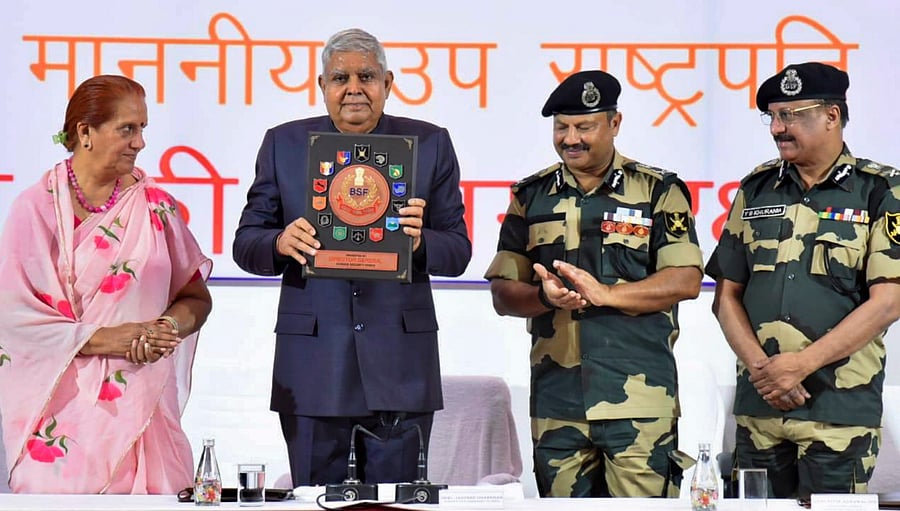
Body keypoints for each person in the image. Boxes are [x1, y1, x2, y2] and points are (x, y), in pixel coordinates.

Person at [232, 28, 470, 487]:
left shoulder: (430, 143)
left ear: (388, 83)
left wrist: (420, 242)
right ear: (322, 85)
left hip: (400, 367)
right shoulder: (284, 143)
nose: (354, 88)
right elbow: (246, 243)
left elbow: (458, 251)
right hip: (313, 366)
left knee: (396, 502)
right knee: (314, 500)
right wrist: (280, 242)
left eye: (367, 76)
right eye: (341, 78)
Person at [484, 70, 703, 498]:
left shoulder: (657, 191)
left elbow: (686, 279)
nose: (570, 139)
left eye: (584, 127)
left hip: (639, 401)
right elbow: (502, 293)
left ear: (614, 123)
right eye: (561, 128)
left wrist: (608, 294)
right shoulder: (530, 196)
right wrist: (544, 297)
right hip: (557, 403)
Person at [0, 75, 213, 493]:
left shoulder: (156, 207)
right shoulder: (35, 209)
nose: (140, 142)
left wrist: (165, 328)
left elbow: (195, 297)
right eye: (127, 129)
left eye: (143, 128)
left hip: (146, 410)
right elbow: (11, 319)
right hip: (60, 422)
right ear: (85, 133)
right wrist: (105, 339)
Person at [706, 62, 900, 499]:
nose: (778, 128)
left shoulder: (881, 190)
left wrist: (800, 365)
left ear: (832, 115)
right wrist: (764, 372)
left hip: (839, 409)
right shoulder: (756, 189)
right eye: (773, 117)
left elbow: (889, 301)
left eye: (791, 115)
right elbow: (726, 296)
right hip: (761, 409)